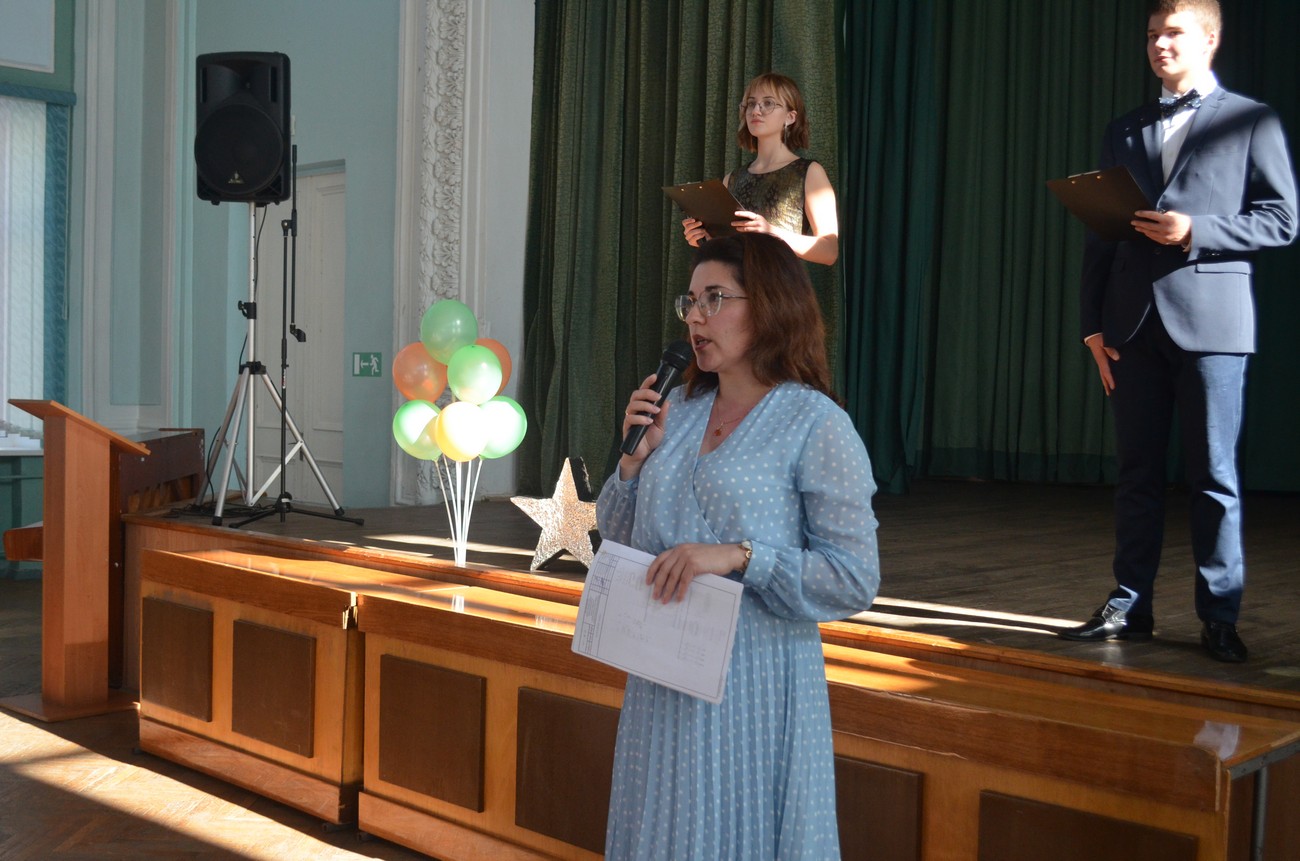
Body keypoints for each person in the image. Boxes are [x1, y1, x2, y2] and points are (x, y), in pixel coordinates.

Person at [596, 232, 879, 858]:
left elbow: (853, 578)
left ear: (770, 305)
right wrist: (632, 465)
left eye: (715, 299)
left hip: (755, 685)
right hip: (662, 675)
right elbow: (617, 536)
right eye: (690, 302)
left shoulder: (816, 423)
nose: (695, 318)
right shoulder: (679, 409)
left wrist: (740, 555)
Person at [1060, 0, 1297, 662]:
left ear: (1210, 40)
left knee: (1214, 476)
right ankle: (1129, 605)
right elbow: (1102, 234)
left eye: (1173, 33)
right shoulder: (1125, 127)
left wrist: (1199, 230)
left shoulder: (1251, 119)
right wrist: (1092, 327)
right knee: (1135, 474)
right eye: (1151, 34)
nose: (1159, 44)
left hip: (1214, 325)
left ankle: (1219, 616)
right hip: (1131, 325)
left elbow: (1282, 219)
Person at [682, 73, 839, 266]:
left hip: (780, 283)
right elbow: (729, 249)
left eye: (768, 103)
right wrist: (704, 239)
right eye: (751, 104)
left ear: (790, 117)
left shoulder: (809, 172)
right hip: (734, 283)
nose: (756, 110)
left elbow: (829, 251)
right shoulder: (732, 178)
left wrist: (771, 231)